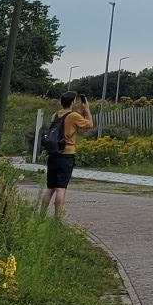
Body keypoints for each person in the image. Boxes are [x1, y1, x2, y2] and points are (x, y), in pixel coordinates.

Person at [39, 91, 93, 221]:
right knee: (61, 188)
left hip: (53, 153)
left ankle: (41, 215)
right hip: (66, 154)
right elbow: (89, 125)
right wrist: (87, 110)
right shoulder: (73, 115)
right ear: (73, 102)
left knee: (50, 188)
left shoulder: (55, 115)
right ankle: (57, 220)